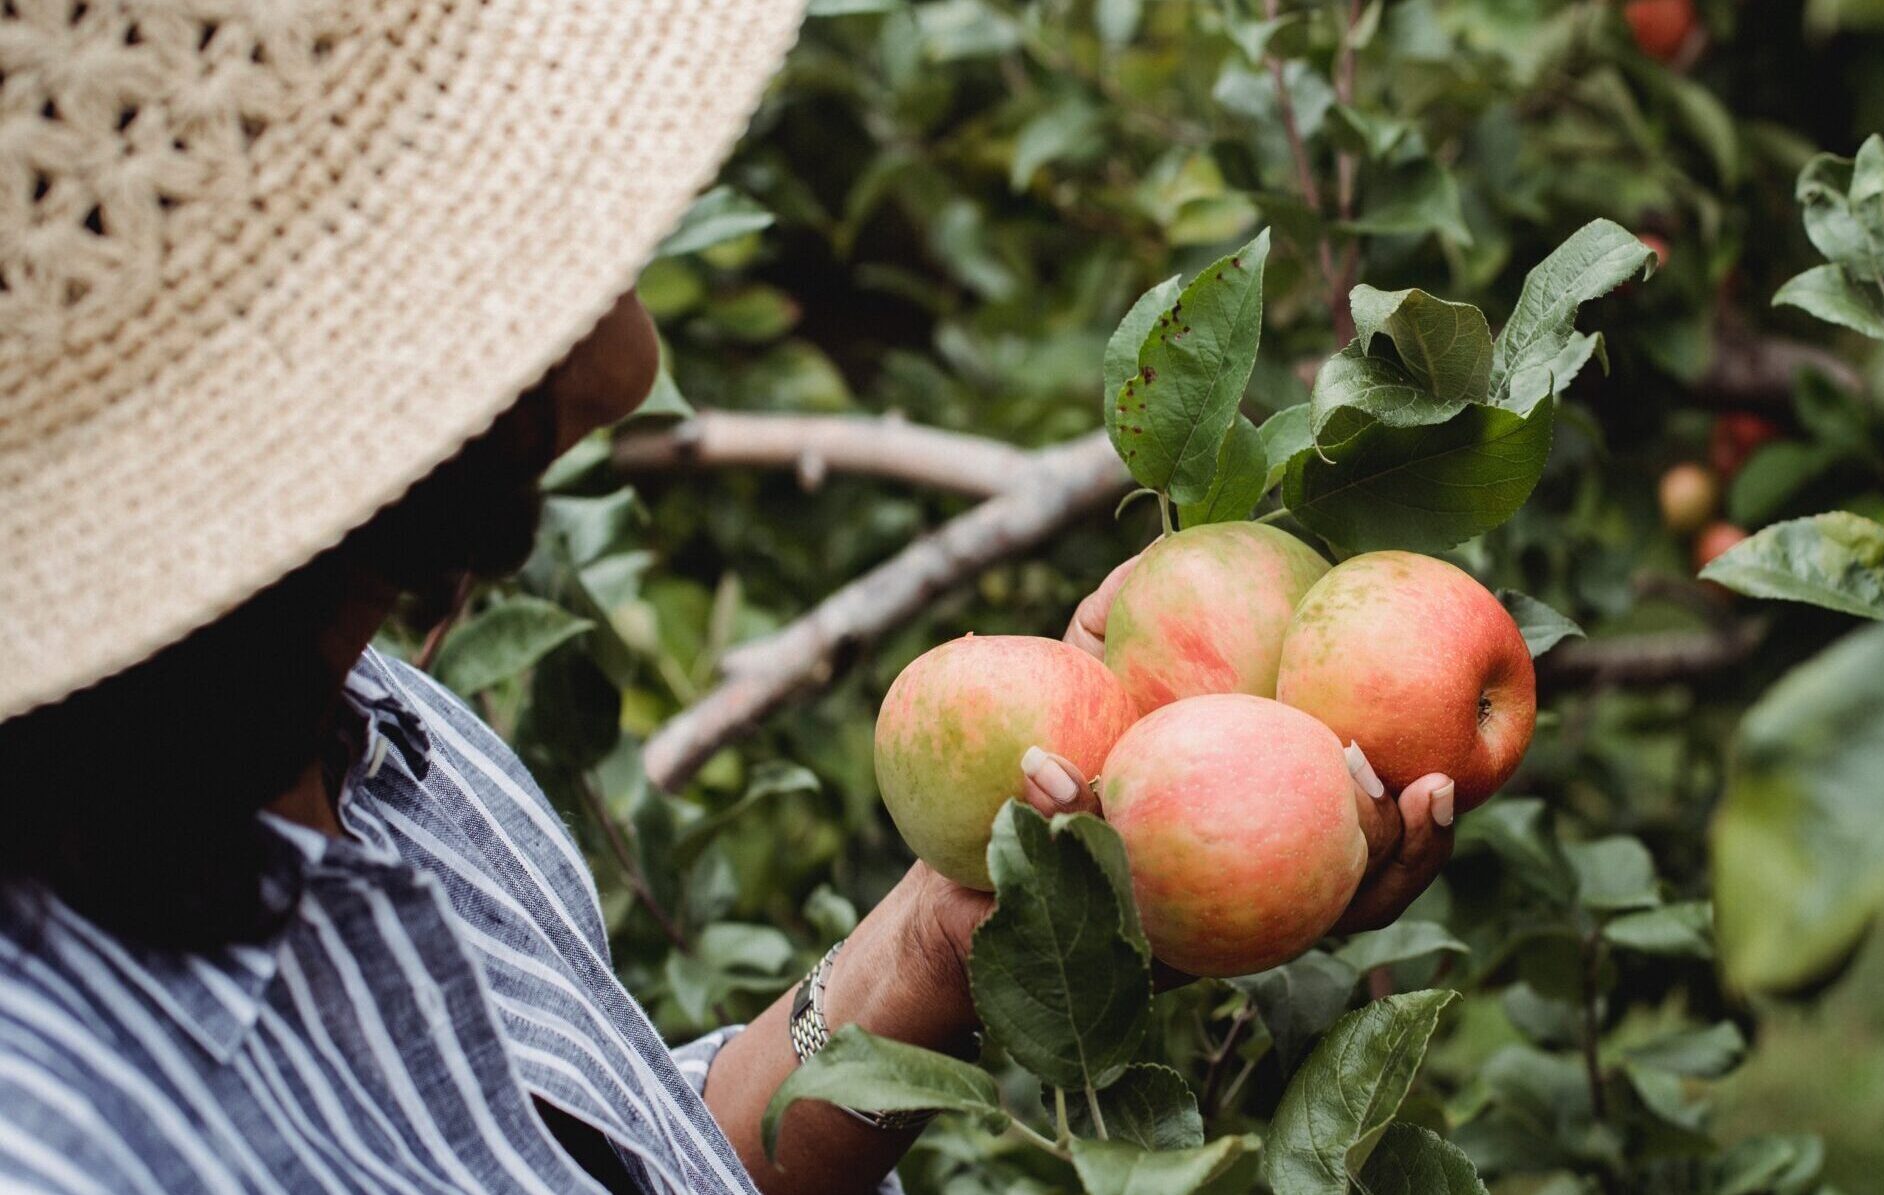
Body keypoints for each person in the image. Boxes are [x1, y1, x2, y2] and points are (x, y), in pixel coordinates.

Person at [0, 4, 1455, 1193]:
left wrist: (981, 915)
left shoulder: (348, 713)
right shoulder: (74, 1141)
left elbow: (654, 1168)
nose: (624, 342)